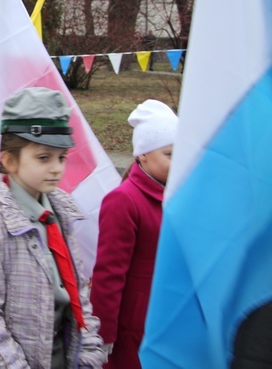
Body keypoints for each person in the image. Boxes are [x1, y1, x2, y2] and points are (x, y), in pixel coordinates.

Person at [0, 87, 106, 368]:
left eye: (61, 157)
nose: (57, 168)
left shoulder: (61, 216)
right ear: (10, 161)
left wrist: (89, 355)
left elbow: (79, 293)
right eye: (43, 158)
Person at [90, 99, 178, 369]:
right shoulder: (124, 201)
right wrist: (103, 334)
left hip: (170, 313)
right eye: (170, 154)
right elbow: (108, 274)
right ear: (142, 154)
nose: (179, 161)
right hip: (135, 325)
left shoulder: (178, 194)